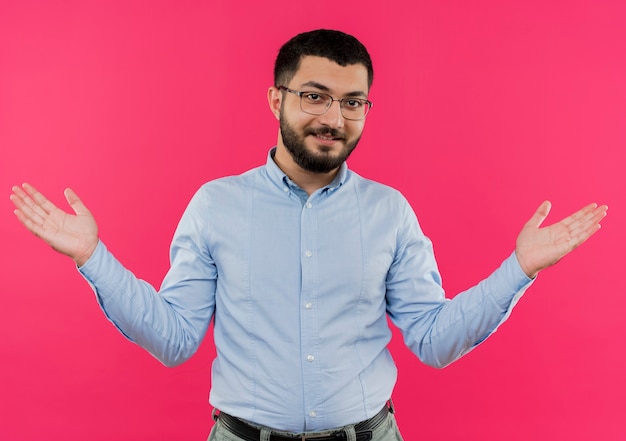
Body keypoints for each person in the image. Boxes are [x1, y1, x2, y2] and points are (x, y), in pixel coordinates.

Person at [10, 29, 607, 441]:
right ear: (277, 98)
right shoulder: (217, 205)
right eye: (314, 96)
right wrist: (93, 257)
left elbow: (433, 339)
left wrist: (519, 268)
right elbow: (173, 338)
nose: (333, 118)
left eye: (353, 102)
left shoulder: (389, 212)